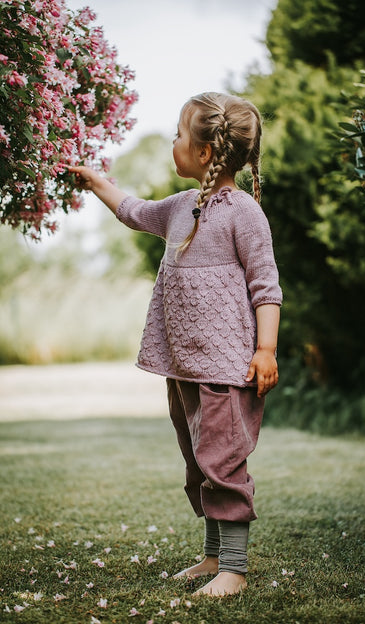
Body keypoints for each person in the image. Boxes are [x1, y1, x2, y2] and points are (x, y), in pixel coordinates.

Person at [68, 91, 283, 597]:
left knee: (223, 464)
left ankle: (234, 568)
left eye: (179, 136)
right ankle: (212, 557)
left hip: (228, 368)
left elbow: (266, 285)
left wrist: (266, 350)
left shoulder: (243, 213)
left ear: (205, 153)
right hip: (184, 366)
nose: (173, 142)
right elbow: (134, 211)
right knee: (198, 462)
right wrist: (98, 181)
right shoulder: (182, 207)